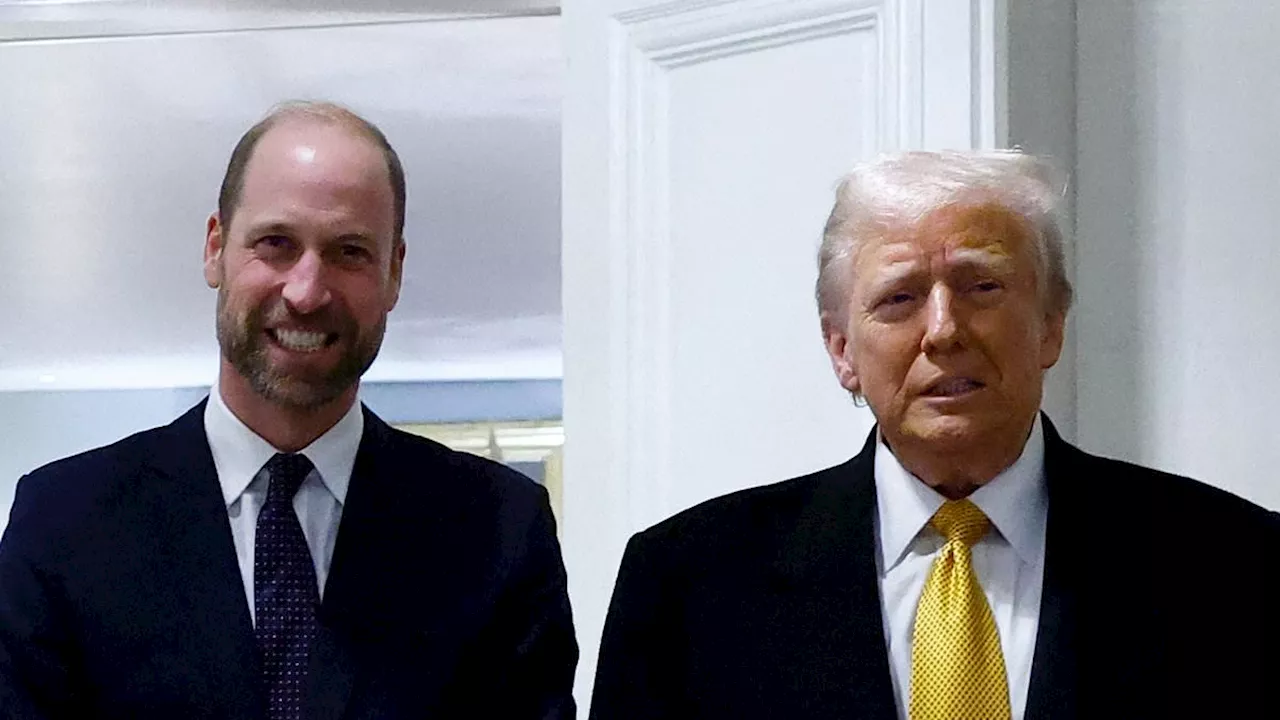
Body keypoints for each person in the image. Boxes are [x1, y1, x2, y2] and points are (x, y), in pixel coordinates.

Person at [588, 150, 1280, 719]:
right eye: (900, 298)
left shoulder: (1235, 562)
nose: (945, 330)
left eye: (982, 286)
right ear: (841, 351)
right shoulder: (689, 583)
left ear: (1051, 325)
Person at [0, 101, 577, 719]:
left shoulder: (498, 530)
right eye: (276, 243)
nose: (306, 290)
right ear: (216, 248)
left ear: (393, 274)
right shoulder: (66, 520)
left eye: (349, 251)